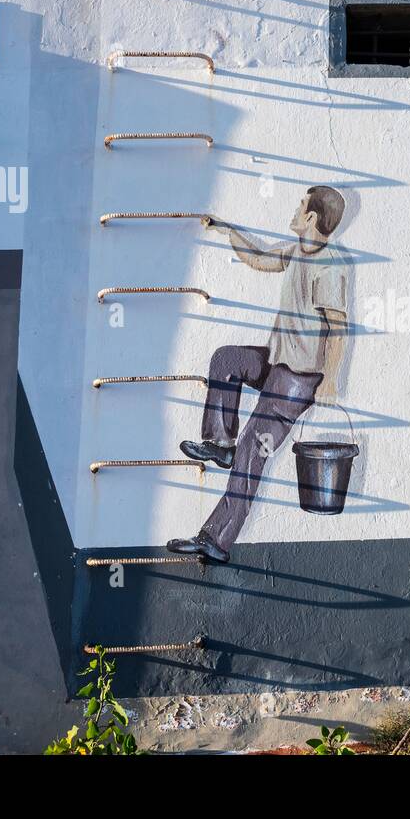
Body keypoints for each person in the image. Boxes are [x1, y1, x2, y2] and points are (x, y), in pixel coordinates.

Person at [166, 186, 349, 562]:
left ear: (312, 217)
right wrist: (227, 230)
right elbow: (261, 258)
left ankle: (216, 540)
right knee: (227, 361)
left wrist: (329, 380)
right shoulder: (297, 252)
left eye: (301, 205)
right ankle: (219, 442)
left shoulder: (331, 265)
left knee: (254, 447)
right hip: (278, 362)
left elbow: (338, 327)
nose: (295, 209)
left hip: (298, 380)